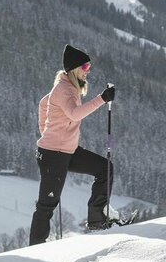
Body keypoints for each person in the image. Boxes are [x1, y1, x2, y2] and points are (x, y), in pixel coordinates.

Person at [31, 45, 118, 244]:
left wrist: (47, 131)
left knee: (105, 169)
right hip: (53, 155)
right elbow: (74, 114)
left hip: (67, 151)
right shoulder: (63, 90)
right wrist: (102, 99)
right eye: (85, 67)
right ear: (74, 69)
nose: (88, 70)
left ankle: (97, 218)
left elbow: (44, 103)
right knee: (46, 206)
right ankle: (34, 248)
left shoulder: (69, 88)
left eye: (89, 66)